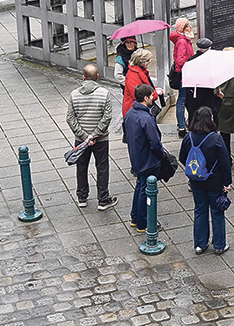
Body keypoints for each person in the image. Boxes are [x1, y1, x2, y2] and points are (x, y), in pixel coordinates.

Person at [179, 106, 233, 255]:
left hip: (197, 182)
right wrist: (227, 182)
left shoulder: (188, 138)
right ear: (210, 119)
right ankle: (219, 245)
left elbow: (182, 158)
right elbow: (225, 162)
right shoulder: (215, 138)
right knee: (217, 212)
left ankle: (200, 244)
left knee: (200, 211)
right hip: (214, 182)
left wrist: (195, 171)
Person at [67, 64, 117, 210]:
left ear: (83, 77)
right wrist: (95, 134)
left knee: (81, 167)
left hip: (81, 140)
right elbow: (107, 117)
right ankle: (103, 199)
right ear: (97, 77)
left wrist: (84, 136)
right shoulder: (104, 93)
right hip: (101, 139)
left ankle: (82, 197)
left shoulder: (74, 94)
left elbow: (70, 118)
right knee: (102, 167)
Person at [124, 84, 166, 233]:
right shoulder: (146, 118)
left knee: (140, 186)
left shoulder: (130, 114)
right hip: (148, 159)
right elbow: (155, 142)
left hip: (136, 157)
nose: (154, 98)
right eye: (152, 96)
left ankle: (135, 217)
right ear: (146, 98)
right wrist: (162, 156)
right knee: (146, 190)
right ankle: (143, 222)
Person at [184, 39, 222, 124]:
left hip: (192, 94)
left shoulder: (190, 61)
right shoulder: (210, 62)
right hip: (206, 94)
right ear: (209, 48)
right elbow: (213, 110)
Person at [169, 17, 195, 137]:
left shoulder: (184, 39)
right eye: (188, 26)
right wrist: (190, 64)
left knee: (183, 99)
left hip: (185, 74)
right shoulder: (182, 41)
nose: (190, 28)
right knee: (183, 99)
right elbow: (180, 61)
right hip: (184, 75)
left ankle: (183, 124)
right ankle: (181, 125)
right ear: (183, 29)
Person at [122, 48, 162, 120]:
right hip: (134, 113)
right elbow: (138, 95)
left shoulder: (139, 72)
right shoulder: (133, 75)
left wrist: (154, 88)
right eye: (147, 61)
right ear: (140, 62)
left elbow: (145, 86)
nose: (149, 62)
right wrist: (155, 93)